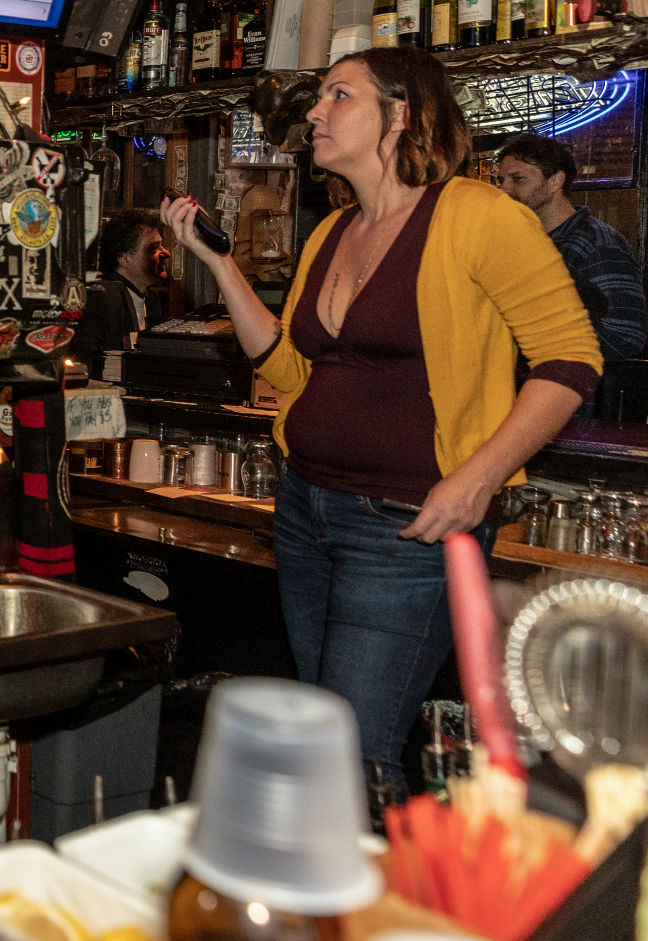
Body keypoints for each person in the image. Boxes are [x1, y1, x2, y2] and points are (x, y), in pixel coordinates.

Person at [162, 47, 600, 795]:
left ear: (403, 114)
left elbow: (571, 359)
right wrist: (220, 267)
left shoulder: (478, 216)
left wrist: (477, 479)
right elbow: (293, 369)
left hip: (406, 525)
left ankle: (376, 901)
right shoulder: (335, 231)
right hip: (307, 510)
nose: (314, 112)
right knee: (323, 737)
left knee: (352, 756)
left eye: (338, 96)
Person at [494, 131, 646, 363]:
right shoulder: (521, 242)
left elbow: (626, 335)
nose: (504, 189)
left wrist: (539, 346)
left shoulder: (597, 243)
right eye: (501, 180)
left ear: (556, 181)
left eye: (518, 179)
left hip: (573, 395)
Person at [73, 209, 169, 357]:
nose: (166, 253)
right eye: (154, 248)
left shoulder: (151, 298)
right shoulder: (101, 298)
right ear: (124, 259)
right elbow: (84, 360)